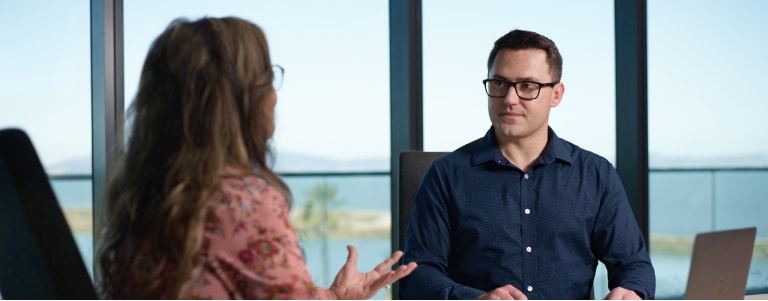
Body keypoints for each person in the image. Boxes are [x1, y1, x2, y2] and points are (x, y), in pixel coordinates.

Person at [95, 16, 417, 299]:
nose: (274, 95)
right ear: (237, 101)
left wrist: (333, 296)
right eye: (267, 78)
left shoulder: (145, 200)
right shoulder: (242, 206)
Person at [400, 29, 655, 300]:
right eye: (499, 83)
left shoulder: (595, 174)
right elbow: (417, 275)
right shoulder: (445, 176)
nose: (510, 99)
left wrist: (631, 292)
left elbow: (634, 265)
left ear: (556, 94)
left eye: (527, 86)